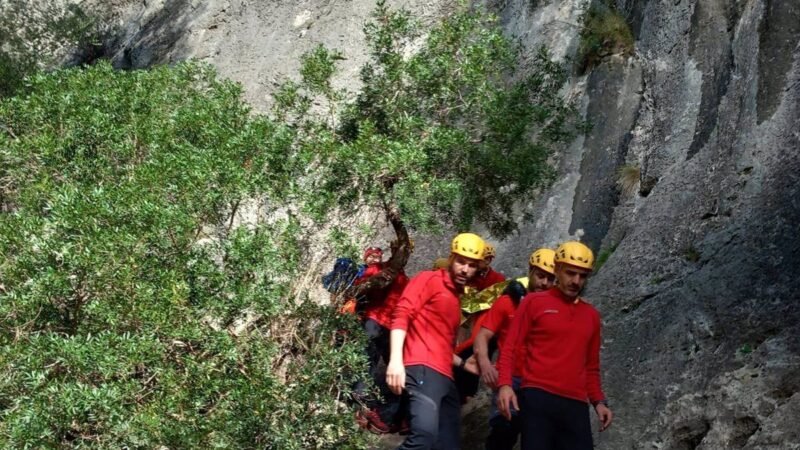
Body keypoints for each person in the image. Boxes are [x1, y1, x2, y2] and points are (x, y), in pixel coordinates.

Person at [496, 241, 613, 450]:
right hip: (537, 396)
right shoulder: (533, 302)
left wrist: (599, 401)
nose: (576, 281)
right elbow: (510, 347)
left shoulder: (592, 316)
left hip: (575, 403)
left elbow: (591, 366)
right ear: (557, 269)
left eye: (583, 276)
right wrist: (504, 385)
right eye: (570, 273)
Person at [386, 233, 486, 449]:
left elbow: (440, 345)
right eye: (460, 261)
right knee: (423, 438)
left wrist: (462, 363)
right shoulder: (429, 279)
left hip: (445, 377)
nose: (465, 269)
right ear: (451, 258)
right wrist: (395, 361)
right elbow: (402, 314)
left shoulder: (454, 297)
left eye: (472, 265)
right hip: (421, 368)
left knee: (448, 445)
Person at [472, 248, 556, 450]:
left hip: (540, 382)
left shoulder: (557, 309)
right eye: (540, 276)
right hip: (509, 379)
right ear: (530, 272)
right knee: (503, 432)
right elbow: (482, 336)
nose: (544, 283)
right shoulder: (507, 302)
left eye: (550, 279)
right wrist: (485, 365)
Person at [355, 246, 410, 433]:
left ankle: (396, 416)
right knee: (367, 362)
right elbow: (360, 286)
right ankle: (360, 409)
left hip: (392, 328)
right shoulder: (379, 269)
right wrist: (377, 281)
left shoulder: (406, 280)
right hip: (375, 321)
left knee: (399, 369)